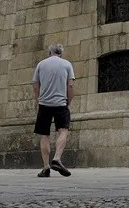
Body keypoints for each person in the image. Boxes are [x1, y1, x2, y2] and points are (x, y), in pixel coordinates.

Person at [32, 43, 75, 178]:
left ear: (50, 52)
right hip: (61, 103)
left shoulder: (41, 64)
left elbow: (35, 85)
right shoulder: (67, 64)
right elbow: (71, 85)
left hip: (44, 104)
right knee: (63, 131)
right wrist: (69, 101)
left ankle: (46, 167)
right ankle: (57, 158)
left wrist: (38, 99)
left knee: (44, 135)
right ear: (61, 53)